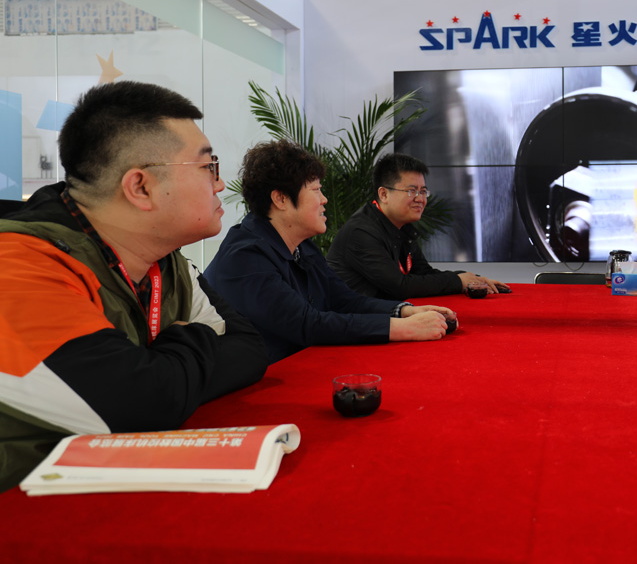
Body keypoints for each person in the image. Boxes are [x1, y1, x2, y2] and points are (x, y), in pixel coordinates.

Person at [0, 81, 268, 493]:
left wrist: (163, 369)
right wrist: (186, 344)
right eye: (207, 167)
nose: (219, 184)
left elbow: (249, 349)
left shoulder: (165, 260)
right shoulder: (19, 265)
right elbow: (142, 403)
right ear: (140, 187)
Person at [204, 142, 455, 363]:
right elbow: (307, 324)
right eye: (316, 190)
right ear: (280, 199)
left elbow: (344, 300)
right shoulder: (244, 257)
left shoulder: (302, 245)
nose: (324, 199)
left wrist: (405, 311)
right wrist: (404, 329)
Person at [327, 153, 508, 300]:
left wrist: (472, 280)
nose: (420, 199)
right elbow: (399, 286)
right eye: (411, 191)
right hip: (353, 324)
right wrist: (458, 281)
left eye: (423, 191)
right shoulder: (361, 232)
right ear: (383, 194)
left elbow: (423, 274)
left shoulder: (402, 227)